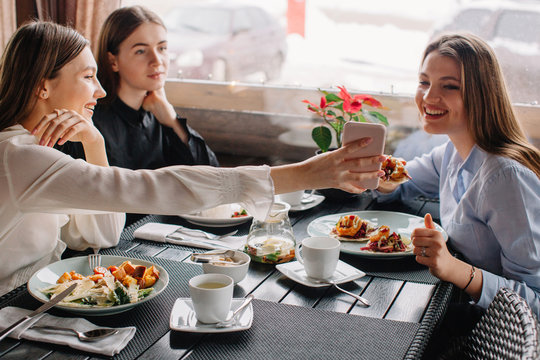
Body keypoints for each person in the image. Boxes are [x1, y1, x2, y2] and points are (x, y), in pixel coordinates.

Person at [0, 21, 384, 296]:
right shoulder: (21, 159)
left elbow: (102, 235)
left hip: (30, 307)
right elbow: (153, 188)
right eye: (87, 78)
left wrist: (95, 143)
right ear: (43, 86)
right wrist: (302, 173)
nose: (100, 91)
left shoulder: (38, 154)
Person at [376, 32, 540, 350]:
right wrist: (384, 177)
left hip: (495, 339)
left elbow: (536, 303)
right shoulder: (453, 151)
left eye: (449, 86)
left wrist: (453, 268)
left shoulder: (505, 178)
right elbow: (401, 184)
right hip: (464, 313)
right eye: (424, 82)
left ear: (481, 94)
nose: (428, 97)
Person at [57, 5, 218, 169]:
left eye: (162, 48)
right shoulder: (90, 117)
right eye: (141, 51)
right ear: (113, 61)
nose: (157, 60)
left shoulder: (160, 115)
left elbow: (211, 173)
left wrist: (172, 120)